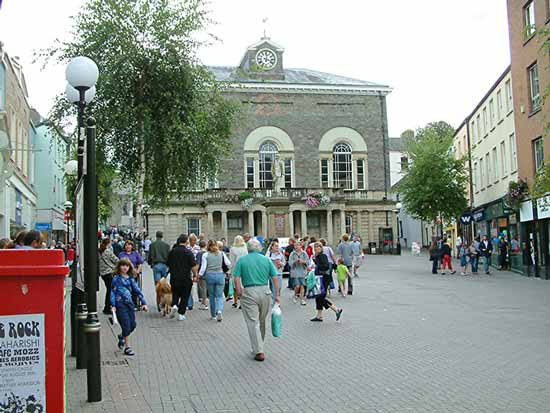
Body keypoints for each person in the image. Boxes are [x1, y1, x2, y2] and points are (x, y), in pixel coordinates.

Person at [232, 238, 280, 362]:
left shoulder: (242, 260)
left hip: (249, 291)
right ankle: (260, 345)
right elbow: (275, 277)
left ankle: (259, 350)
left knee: (252, 321)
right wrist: (277, 295)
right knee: (262, 320)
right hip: (265, 291)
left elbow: (236, 277)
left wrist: (239, 291)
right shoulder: (266, 259)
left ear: (248, 248)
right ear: (259, 248)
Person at [111, 258, 148, 356]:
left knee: (132, 325)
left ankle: (122, 336)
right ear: (119, 266)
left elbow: (137, 291)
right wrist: (113, 305)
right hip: (120, 304)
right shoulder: (116, 279)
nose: (125, 267)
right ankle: (127, 347)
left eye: (127, 266)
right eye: (123, 265)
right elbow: (113, 292)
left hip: (130, 304)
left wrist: (144, 303)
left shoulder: (130, 279)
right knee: (126, 325)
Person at [167, 234, 198, 321]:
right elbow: (193, 266)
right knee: (185, 296)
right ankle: (181, 313)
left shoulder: (172, 252)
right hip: (185, 277)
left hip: (174, 277)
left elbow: (168, 264)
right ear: (186, 241)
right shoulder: (188, 252)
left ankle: (174, 305)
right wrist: (195, 275)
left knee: (175, 293)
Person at [199, 240, 231, 322]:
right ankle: (219, 310)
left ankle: (213, 315)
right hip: (220, 275)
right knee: (219, 296)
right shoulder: (222, 253)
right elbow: (228, 263)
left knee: (212, 296)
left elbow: (203, 267)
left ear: (208, 246)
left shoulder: (205, 255)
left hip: (209, 275)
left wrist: (199, 275)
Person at [310, 243, 343, 322]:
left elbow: (325, 266)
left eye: (319, 247)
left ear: (321, 248)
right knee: (318, 297)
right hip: (320, 278)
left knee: (320, 297)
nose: (317, 248)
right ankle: (319, 316)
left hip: (323, 279)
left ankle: (336, 310)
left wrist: (316, 264)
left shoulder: (322, 256)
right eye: (316, 247)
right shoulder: (318, 256)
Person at [118, 240, 144, 309]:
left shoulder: (135, 254)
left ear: (132, 246)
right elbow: (118, 264)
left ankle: (134, 303)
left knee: (133, 289)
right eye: (126, 245)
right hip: (123, 274)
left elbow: (140, 263)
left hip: (133, 273)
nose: (128, 246)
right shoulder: (121, 254)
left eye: (129, 245)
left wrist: (138, 271)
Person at [99, 238, 119, 315]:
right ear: (108, 244)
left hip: (103, 273)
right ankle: (108, 307)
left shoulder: (99, 251)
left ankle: (107, 307)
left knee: (109, 290)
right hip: (109, 272)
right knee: (110, 291)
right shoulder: (107, 251)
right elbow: (116, 260)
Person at [148, 231, 170, 295]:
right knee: (164, 284)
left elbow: (150, 255)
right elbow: (169, 256)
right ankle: (164, 296)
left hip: (156, 265)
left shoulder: (152, 245)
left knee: (158, 284)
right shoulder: (166, 245)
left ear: (156, 236)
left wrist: (150, 263)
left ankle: (159, 297)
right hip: (164, 265)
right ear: (162, 236)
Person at [229, 235, 248, 308]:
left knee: (235, 286)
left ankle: (235, 301)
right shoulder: (245, 248)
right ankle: (242, 302)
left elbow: (232, 261)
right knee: (242, 285)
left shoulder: (233, 249)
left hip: (236, 268)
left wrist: (230, 270)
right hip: (244, 268)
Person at [266, 240, 285, 305]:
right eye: (276, 246)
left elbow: (284, 263)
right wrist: (272, 262)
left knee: (279, 287)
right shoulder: (269, 254)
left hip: (279, 273)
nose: (277, 247)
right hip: (272, 274)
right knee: (273, 288)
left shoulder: (280, 254)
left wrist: (280, 264)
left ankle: (276, 299)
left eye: (278, 246)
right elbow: (266, 262)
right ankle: (275, 301)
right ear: (272, 247)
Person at [195, 240, 209, 310]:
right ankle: (203, 302)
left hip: (202, 272)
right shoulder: (208, 253)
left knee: (203, 288)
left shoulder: (199, 253)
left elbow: (198, 264)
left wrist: (196, 273)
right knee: (205, 288)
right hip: (209, 272)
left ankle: (205, 304)